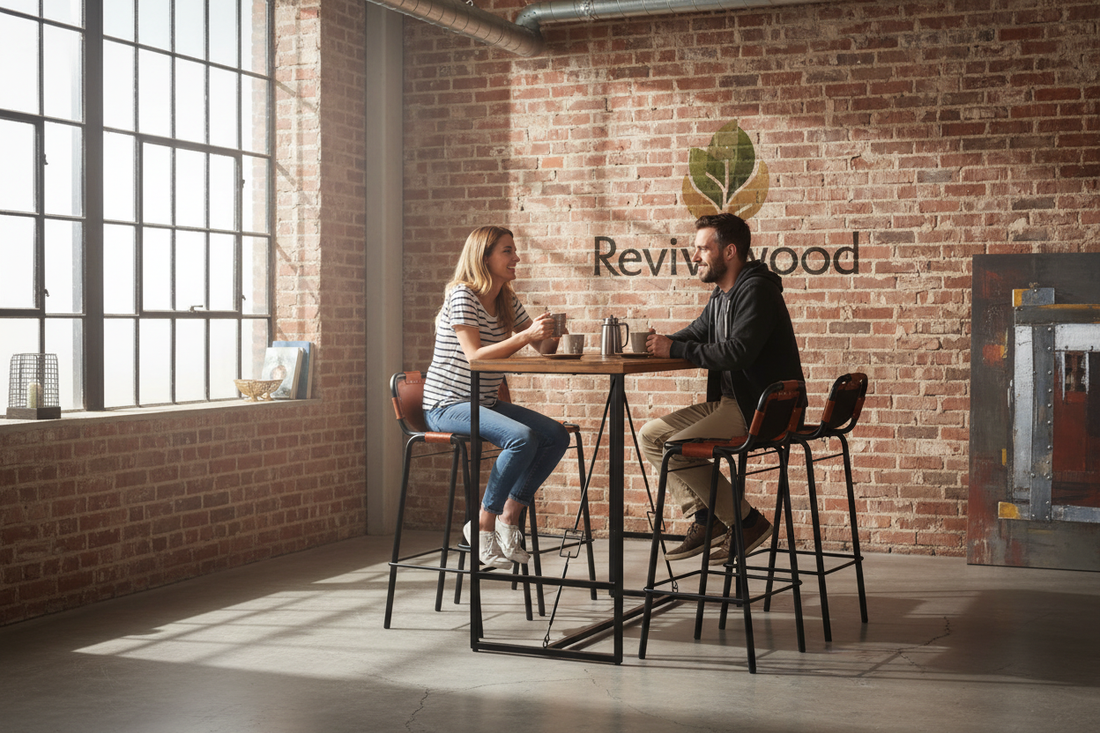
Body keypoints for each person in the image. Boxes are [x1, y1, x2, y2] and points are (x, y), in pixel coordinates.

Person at [640, 213, 805, 565]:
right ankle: (706, 519)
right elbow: (696, 332)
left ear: (729, 251)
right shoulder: (722, 295)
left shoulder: (756, 290)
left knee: (675, 448)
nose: (695, 256)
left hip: (762, 408)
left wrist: (676, 349)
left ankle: (746, 522)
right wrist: (660, 343)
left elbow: (738, 351)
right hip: (735, 403)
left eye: (703, 248)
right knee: (650, 435)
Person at [422, 225, 570, 569]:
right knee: (520, 438)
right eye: (507, 251)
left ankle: (509, 514)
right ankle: (483, 523)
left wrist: (551, 331)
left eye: (514, 251)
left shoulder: (505, 298)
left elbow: (543, 350)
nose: (516, 257)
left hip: (483, 402)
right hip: (446, 404)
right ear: (484, 257)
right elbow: (475, 355)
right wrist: (526, 336)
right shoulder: (463, 295)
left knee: (555, 435)